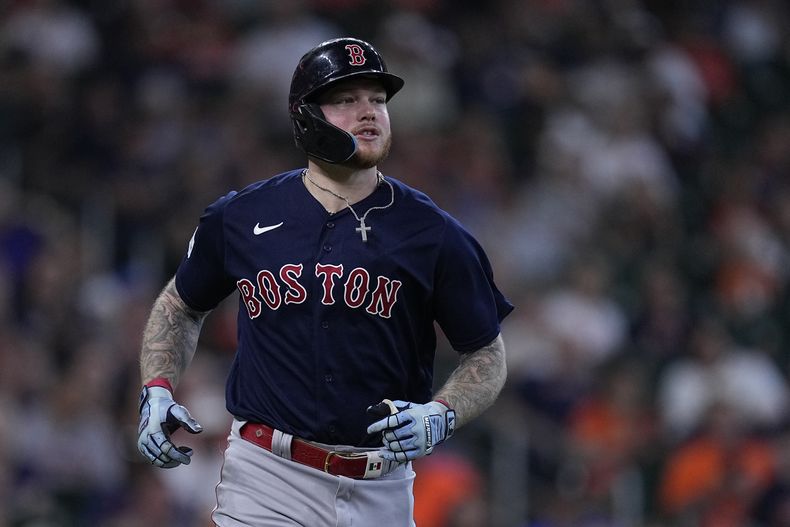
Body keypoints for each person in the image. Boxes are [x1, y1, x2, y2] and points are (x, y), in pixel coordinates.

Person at [136, 37, 513, 526]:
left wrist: (441, 413)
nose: (369, 112)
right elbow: (180, 306)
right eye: (345, 100)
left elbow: (486, 352)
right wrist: (158, 387)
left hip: (383, 486)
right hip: (268, 477)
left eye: (378, 100)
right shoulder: (242, 216)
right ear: (304, 117)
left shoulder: (433, 232)